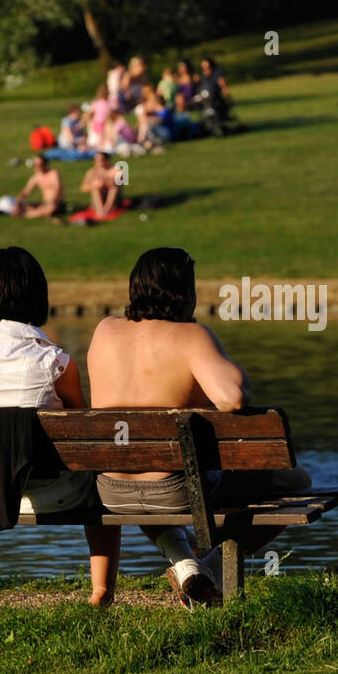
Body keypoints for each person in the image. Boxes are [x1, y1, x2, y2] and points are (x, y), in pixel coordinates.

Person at [86, 247, 312, 606]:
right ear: (185, 293)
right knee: (299, 480)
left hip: (110, 490)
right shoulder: (192, 337)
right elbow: (232, 398)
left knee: (146, 476)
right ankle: (211, 565)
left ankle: (189, 565)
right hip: (176, 489)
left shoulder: (104, 331)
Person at [0, 247, 112, 605]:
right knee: (101, 475)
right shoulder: (55, 361)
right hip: (51, 495)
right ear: (39, 296)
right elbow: (83, 434)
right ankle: (101, 589)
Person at [81, 151, 122, 217]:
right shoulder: (92, 172)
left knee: (113, 187)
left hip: (115, 201)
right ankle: (100, 210)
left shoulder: (115, 170)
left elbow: (119, 181)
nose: (98, 162)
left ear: (106, 160)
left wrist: (106, 181)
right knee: (96, 188)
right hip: (98, 200)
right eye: (96, 160)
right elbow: (83, 188)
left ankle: (106, 209)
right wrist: (94, 185)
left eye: (101, 160)